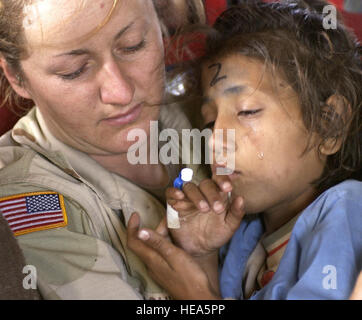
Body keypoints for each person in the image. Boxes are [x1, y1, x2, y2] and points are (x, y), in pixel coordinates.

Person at [127, 0, 362, 300]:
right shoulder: (244, 234)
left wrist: (196, 298)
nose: (215, 141)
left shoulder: (348, 214)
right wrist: (202, 255)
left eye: (247, 111)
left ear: (329, 124)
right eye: (210, 122)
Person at [0, 0, 207, 300]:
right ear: (16, 77)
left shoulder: (212, 112)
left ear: (160, 22)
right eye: (74, 71)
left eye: (133, 45)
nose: (120, 93)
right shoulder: (23, 202)